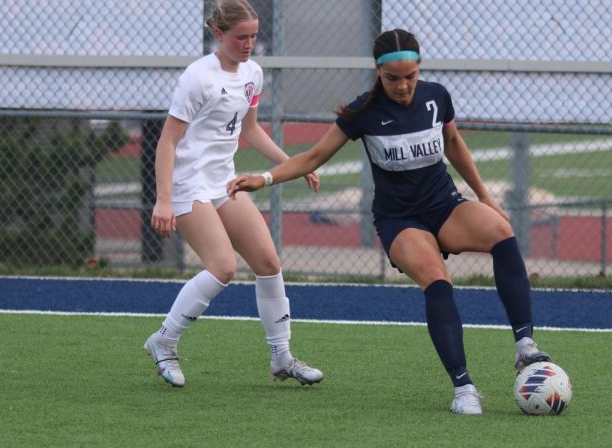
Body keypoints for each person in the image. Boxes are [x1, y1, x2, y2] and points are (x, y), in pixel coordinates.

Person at [228, 28, 550, 414]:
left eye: (410, 76)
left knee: (502, 232)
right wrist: (263, 179)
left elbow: (454, 143)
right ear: (378, 73)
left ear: (420, 68)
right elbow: (312, 158)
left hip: (444, 205)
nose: (402, 85)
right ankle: (463, 387)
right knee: (437, 281)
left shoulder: (436, 97)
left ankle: (525, 346)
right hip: (400, 219)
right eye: (392, 78)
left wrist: (484, 196)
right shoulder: (364, 111)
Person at [145, 0, 323, 388]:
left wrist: (295, 165)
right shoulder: (198, 77)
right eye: (240, 37)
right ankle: (164, 341)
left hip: (223, 181)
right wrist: (162, 198)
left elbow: (250, 130)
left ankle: (281, 358)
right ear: (218, 33)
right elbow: (167, 143)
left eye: (254, 37)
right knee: (223, 267)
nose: (248, 45)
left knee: (268, 262)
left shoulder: (252, 74)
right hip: (188, 185)